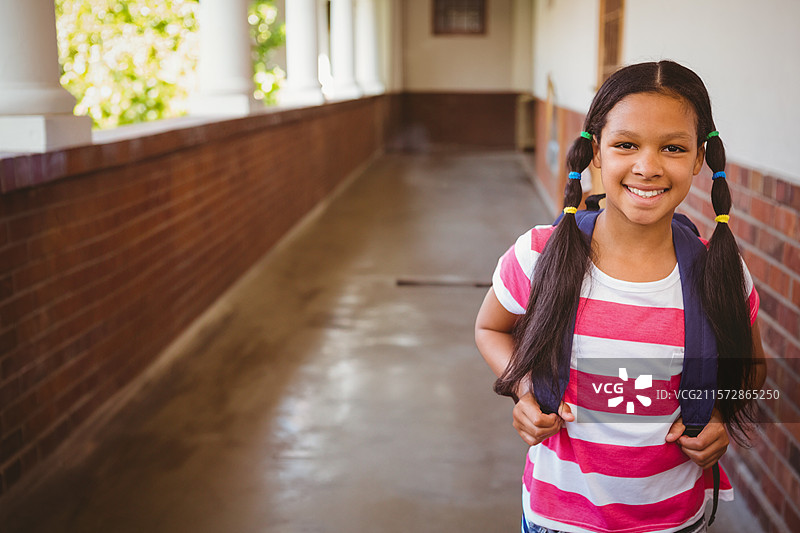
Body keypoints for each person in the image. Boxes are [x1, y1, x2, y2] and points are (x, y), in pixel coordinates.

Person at [474, 60, 766, 533]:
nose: (647, 167)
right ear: (595, 154)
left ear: (699, 160)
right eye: (626, 145)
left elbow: (753, 369)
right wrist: (524, 388)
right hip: (556, 517)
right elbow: (489, 328)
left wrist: (718, 412)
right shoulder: (538, 254)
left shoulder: (721, 272)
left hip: (673, 520)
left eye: (672, 147)